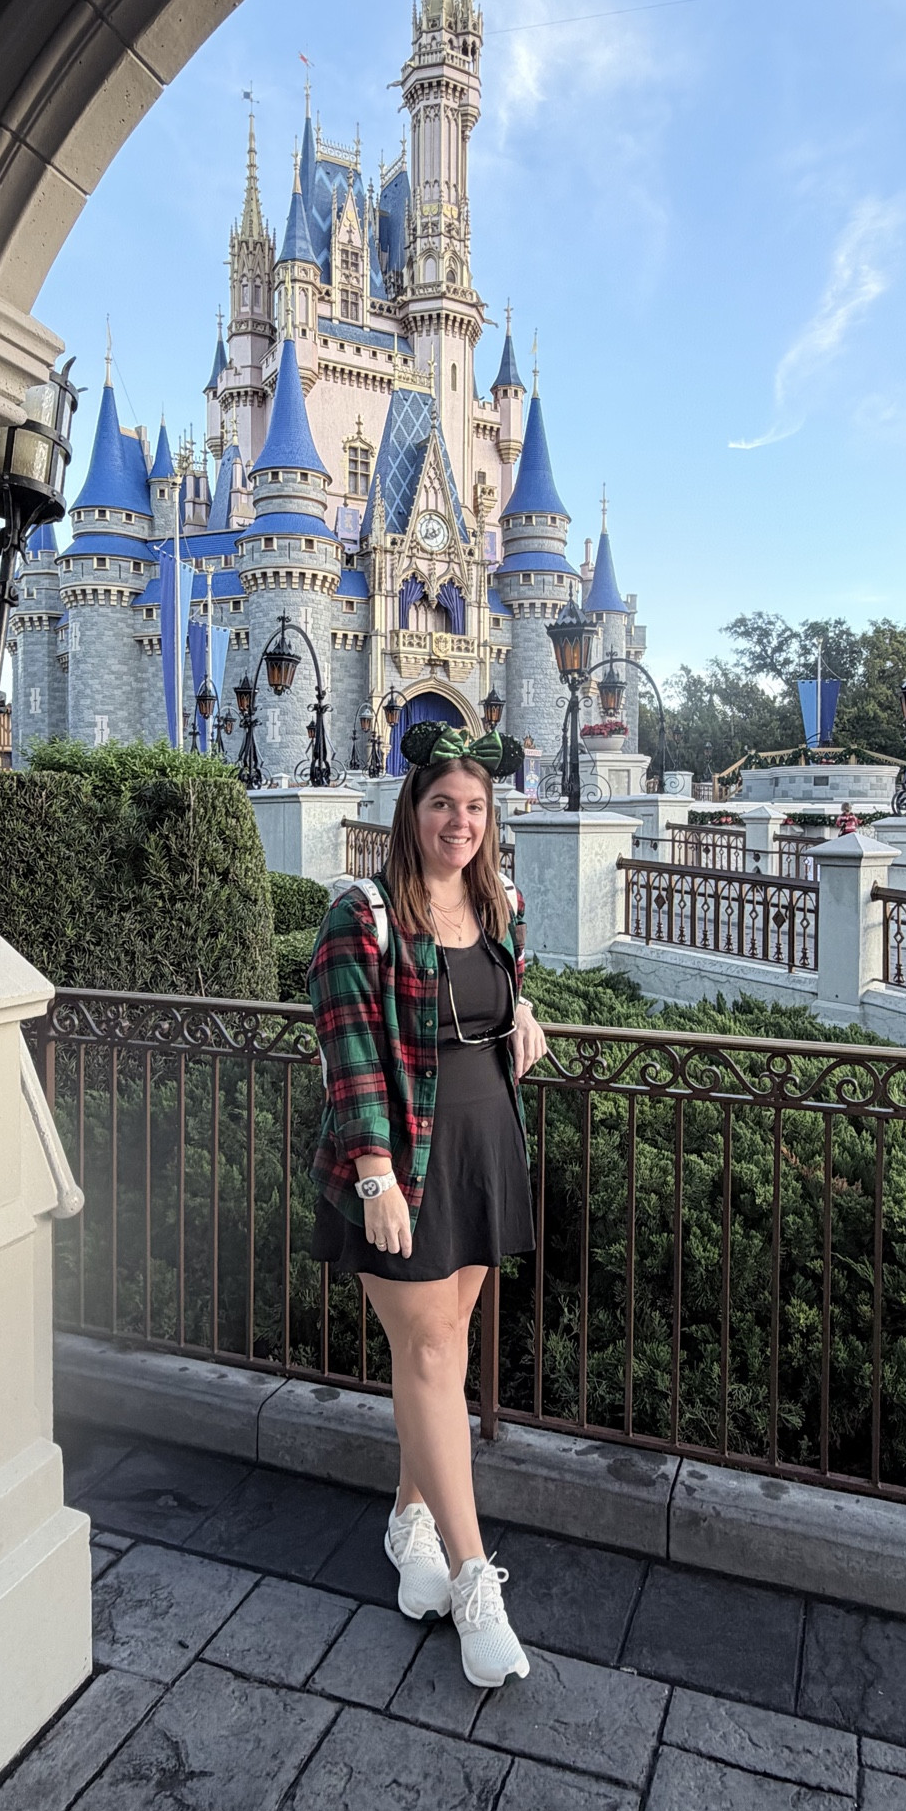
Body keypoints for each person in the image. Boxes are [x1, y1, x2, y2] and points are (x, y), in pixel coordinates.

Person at [307, 720, 548, 1689]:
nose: (461, 821)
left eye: (476, 807)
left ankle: (409, 1517)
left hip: (485, 1147)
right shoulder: (359, 916)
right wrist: (373, 1176)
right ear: (413, 811)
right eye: (444, 803)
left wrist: (523, 1008)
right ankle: (473, 1573)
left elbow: (499, 996)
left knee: (435, 1354)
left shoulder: (502, 905)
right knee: (436, 1355)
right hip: (402, 1157)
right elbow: (351, 1050)